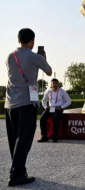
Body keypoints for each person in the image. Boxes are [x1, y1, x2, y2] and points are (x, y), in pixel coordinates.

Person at [5, 28, 52, 187]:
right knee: (24, 139)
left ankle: (19, 169)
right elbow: (49, 71)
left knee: (14, 140)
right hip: (26, 103)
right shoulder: (35, 57)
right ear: (32, 41)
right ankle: (16, 174)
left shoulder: (10, 56)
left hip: (10, 104)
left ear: (19, 40)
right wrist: (43, 58)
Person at [38, 78, 71, 143]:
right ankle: (44, 136)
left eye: (56, 83)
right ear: (51, 84)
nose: (55, 85)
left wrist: (61, 107)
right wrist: (45, 106)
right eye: (53, 83)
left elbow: (69, 101)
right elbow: (43, 100)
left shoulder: (62, 91)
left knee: (56, 119)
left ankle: (55, 136)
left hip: (58, 108)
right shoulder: (48, 91)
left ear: (58, 84)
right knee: (42, 119)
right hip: (50, 108)